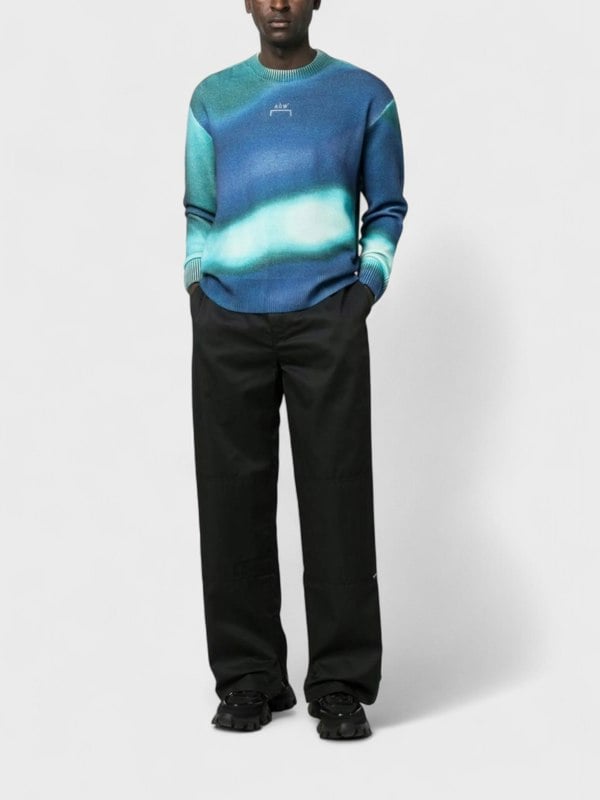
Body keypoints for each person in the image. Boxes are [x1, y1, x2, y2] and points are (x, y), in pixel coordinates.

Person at [183, 0, 408, 740]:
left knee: (337, 497)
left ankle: (341, 684)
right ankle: (249, 679)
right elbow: (199, 210)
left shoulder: (364, 96)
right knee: (231, 501)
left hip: (326, 323)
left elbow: (387, 207)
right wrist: (198, 289)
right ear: (247, 3)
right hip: (228, 320)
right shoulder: (214, 97)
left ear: (316, 1)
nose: (279, 1)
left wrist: (363, 291)